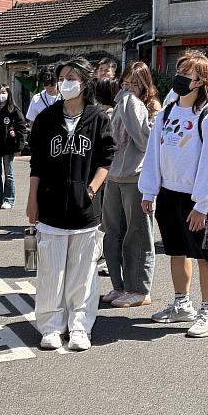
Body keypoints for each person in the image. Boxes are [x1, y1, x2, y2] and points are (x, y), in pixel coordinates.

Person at [26, 57, 115, 351]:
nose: (65, 83)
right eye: (62, 78)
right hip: (50, 207)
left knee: (83, 273)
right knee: (51, 273)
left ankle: (80, 326)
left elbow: (106, 159)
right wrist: (32, 200)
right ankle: (51, 326)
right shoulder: (46, 118)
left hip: (85, 209)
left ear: (85, 83)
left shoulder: (98, 117)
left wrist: (92, 188)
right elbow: (37, 164)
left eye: (71, 78)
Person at [139, 51, 208, 338]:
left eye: (187, 74)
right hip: (169, 194)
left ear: (201, 81)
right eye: (179, 71)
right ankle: (181, 304)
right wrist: (149, 190)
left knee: (205, 256)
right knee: (176, 251)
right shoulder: (166, 113)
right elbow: (154, 154)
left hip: (197, 199)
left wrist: (202, 204)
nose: (179, 78)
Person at [102, 61, 160, 308]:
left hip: (137, 178)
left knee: (137, 235)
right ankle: (120, 285)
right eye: (125, 84)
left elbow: (145, 142)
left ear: (144, 85)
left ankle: (139, 289)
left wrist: (131, 106)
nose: (128, 89)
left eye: (134, 85)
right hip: (114, 176)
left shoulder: (151, 107)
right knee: (112, 233)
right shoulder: (120, 103)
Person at [91, 77, 119, 277]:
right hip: (112, 174)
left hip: (108, 174)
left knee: (109, 221)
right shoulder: (112, 113)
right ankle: (106, 258)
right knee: (108, 220)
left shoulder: (104, 116)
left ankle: (109, 259)